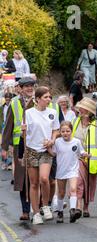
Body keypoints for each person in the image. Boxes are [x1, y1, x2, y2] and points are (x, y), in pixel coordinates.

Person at [21, 86, 60, 225]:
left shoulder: (53, 113)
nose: (49, 99)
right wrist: (23, 131)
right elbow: (24, 134)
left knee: (44, 178)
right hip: (32, 150)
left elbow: (56, 130)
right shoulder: (29, 113)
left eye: (50, 97)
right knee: (34, 183)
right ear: (38, 99)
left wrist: (52, 140)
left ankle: (46, 206)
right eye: (46, 97)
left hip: (46, 150)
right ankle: (36, 213)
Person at [1, 77, 36, 221]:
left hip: (36, 145)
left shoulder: (38, 101)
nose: (29, 89)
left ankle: (38, 208)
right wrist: (4, 147)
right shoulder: (14, 103)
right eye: (26, 86)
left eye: (31, 86)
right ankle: (25, 210)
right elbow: (8, 125)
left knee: (36, 178)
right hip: (19, 146)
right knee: (22, 179)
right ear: (20, 88)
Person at [72, 97, 97, 217]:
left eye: (85, 109)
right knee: (78, 181)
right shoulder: (74, 122)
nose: (82, 110)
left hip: (92, 158)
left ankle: (86, 207)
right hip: (77, 157)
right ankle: (78, 206)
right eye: (81, 108)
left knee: (89, 183)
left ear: (90, 112)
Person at [48, 121, 89, 223]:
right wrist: (47, 148)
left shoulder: (76, 142)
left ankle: (72, 211)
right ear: (60, 132)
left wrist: (86, 154)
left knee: (73, 189)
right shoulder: (57, 142)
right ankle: (60, 212)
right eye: (63, 131)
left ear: (71, 131)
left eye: (68, 131)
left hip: (73, 170)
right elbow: (53, 154)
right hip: (61, 170)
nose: (65, 133)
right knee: (61, 193)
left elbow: (82, 152)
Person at [1, 93, 13, 170]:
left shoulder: (13, 107)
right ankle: (5, 163)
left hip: (10, 128)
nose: (8, 101)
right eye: (6, 99)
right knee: (3, 146)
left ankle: (9, 163)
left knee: (10, 147)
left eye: (9, 99)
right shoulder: (2, 107)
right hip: (3, 128)